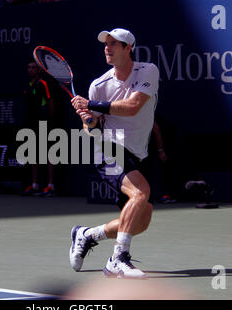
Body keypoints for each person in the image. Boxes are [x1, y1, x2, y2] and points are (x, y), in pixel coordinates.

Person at [70, 28, 159, 278]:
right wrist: (88, 120)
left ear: (128, 48)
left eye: (114, 44)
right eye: (105, 44)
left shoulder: (148, 71)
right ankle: (118, 259)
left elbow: (132, 107)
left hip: (138, 151)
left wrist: (90, 106)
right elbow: (91, 130)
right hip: (108, 149)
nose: (107, 48)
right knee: (140, 193)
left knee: (141, 221)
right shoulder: (98, 85)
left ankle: (87, 235)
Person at [21, 59, 56, 197]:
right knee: (33, 155)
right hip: (31, 124)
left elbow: (50, 103)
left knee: (48, 155)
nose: (30, 70)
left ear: (38, 70)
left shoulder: (43, 84)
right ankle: (35, 185)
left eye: (33, 68)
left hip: (44, 124)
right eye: (29, 67)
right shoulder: (28, 86)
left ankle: (50, 185)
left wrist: (49, 121)